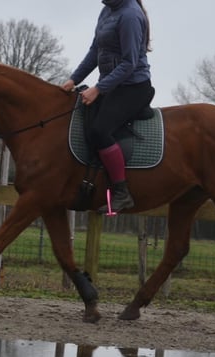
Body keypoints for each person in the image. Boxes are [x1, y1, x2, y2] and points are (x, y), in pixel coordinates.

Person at [61, 0, 155, 213]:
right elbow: (95, 50)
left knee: (100, 130)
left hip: (133, 87)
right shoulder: (107, 11)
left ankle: (122, 193)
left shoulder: (130, 16)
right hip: (112, 85)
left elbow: (129, 63)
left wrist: (98, 89)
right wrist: (73, 79)